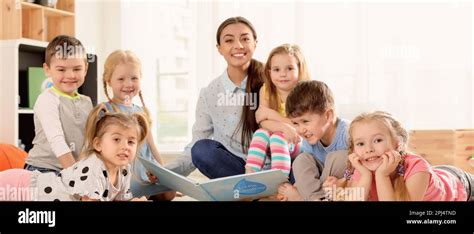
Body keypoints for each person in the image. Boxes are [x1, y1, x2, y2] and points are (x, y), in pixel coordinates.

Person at [165, 16, 265, 179]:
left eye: (245, 39)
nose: (238, 46)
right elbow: (196, 145)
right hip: (236, 170)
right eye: (229, 40)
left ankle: (257, 191)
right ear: (219, 48)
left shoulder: (272, 81)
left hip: (272, 165)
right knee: (201, 149)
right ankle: (255, 191)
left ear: (255, 43)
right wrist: (167, 172)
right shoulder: (209, 93)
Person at [0, 105, 149, 201]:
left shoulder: (123, 171)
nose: (125, 147)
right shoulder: (95, 167)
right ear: (98, 144)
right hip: (25, 188)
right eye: (117, 139)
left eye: (131, 142)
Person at [336, 111, 473, 201]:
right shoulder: (362, 169)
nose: (368, 149)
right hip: (432, 173)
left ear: (398, 144)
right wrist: (365, 176)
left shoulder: (418, 169)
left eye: (377, 140)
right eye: (360, 143)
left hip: (459, 183)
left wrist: (381, 175)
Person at [101, 50, 175, 200]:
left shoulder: (141, 111)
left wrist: (162, 173)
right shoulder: (105, 111)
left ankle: (143, 194)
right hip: (121, 172)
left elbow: (151, 146)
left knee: (170, 193)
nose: (128, 84)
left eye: (134, 78)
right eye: (121, 79)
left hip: (145, 174)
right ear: (109, 81)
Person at [24, 35, 93, 174]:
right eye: (61, 70)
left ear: (85, 68)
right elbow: (57, 141)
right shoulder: (47, 99)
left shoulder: (87, 102)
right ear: (47, 69)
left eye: (77, 69)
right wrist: (77, 176)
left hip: (73, 169)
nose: (70, 75)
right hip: (44, 169)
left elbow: (90, 141)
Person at [277, 80, 349, 201]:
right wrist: (299, 185)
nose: (300, 130)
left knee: (340, 157)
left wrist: (343, 180)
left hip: (343, 185)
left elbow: (362, 168)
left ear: (328, 116)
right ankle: (315, 199)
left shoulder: (348, 133)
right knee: (301, 160)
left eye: (305, 121)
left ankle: (302, 198)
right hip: (322, 188)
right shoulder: (309, 139)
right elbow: (308, 174)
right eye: (295, 123)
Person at [245, 44, 310, 177]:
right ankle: (250, 175)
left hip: (297, 142)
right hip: (274, 142)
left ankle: (279, 180)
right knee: (260, 133)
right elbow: (262, 122)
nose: (283, 74)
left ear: (300, 69)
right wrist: (283, 126)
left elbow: (300, 126)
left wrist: (270, 114)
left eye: (290, 68)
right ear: (269, 72)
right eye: (276, 69)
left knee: (277, 137)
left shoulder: (304, 93)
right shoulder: (267, 90)